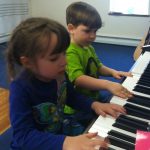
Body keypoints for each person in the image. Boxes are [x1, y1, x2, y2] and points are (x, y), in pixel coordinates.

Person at [7, 17, 126, 150]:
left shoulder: (58, 73)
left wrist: (94, 104)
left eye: (64, 53)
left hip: (60, 127)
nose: (65, 61)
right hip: (36, 143)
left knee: (101, 140)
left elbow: (71, 95)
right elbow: (23, 136)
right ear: (28, 62)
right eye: (54, 58)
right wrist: (66, 142)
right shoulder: (20, 89)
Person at [66, 1, 133, 108]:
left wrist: (113, 72)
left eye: (95, 31)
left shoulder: (88, 47)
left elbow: (98, 66)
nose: (93, 36)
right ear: (71, 28)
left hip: (94, 95)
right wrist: (107, 84)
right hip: (79, 105)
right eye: (87, 31)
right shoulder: (70, 52)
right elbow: (78, 79)